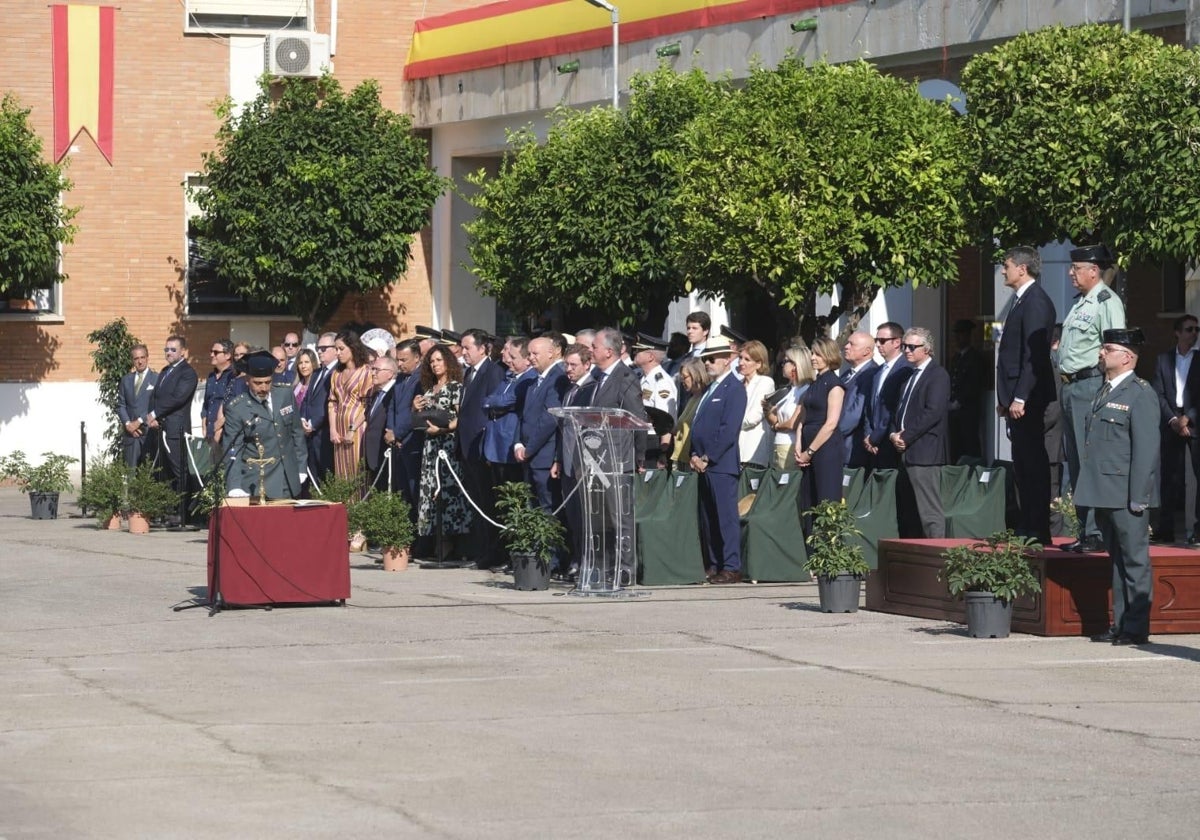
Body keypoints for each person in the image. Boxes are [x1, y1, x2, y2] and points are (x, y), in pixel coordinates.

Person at [1077, 329, 1159, 646]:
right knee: (1117, 561)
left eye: (1107, 348)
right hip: (1104, 492)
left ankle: (1136, 627)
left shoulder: (1140, 393)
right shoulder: (1104, 390)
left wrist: (1140, 497)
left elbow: (1146, 451)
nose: (1101, 353)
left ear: (1126, 356)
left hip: (1127, 495)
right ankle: (1121, 623)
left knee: (1135, 561)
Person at [1058, 244, 1126, 553]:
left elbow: (1115, 346)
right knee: (1075, 463)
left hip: (1090, 385)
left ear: (1093, 270)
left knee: (1089, 461)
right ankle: (1085, 531)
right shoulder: (1081, 303)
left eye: (1077, 268)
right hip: (1071, 387)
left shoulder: (1106, 301)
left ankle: (1096, 532)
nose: (1071, 273)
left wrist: (1110, 389)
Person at [996, 246, 1058, 543]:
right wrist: (1005, 399)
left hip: (1030, 398)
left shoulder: (1035, 301)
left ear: (1022, 268)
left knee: (1033, 462)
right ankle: (1026, 523)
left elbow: (1033, 357)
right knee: (1021, 462)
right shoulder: (1021, 300)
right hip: (1016, 398)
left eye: (1006, 265)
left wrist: (1020, 396)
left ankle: (1037, 526)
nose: (1002, 271)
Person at [689, 336, 747, 584]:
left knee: (725, 517)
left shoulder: (734, 388)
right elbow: (698, 425)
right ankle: (714, 563)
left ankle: (731, 565)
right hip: (702, 464)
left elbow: (728, 431)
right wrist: (693, 454)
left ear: (727, 359)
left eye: (712, 358)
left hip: (720, 464)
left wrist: (707, 457)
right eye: (706, 359)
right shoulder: (711, 388)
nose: (708, 363)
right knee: (708, 517)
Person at [889, 328, 950, 538]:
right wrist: (893, 435)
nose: (907, 350)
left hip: (924, 451)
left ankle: (936, 558)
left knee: (929, 511)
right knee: (910, 511)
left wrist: (905, 437)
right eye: (905, 346)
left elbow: (932, 412)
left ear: (927, 349)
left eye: (912, 347)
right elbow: (899, 410)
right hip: (905, 451)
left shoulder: (937, 375)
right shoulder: (909, 375)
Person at [223, 352, 308, 500]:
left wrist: (301, 467)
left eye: (267, 382)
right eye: (258, 383)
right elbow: (233, 449)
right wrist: (234, 485)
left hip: (287, 477)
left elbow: (296, 433)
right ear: (247, 381)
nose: (263, 387)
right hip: (258, 481)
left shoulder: (285, 394)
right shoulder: (237, 408)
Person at [416, 344, 473, 554]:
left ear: (448, 361)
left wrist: (441, 429)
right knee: (431, 492)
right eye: (431, 361)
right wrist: (416, 408)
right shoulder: (430, 389)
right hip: (430, 447)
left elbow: (461, 417)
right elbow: (421, 418)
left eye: (439, 360)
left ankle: (450, 541)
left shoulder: (456, 387)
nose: (435, 365)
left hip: (446, 446)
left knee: (448, 491)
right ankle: (435, 538)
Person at [456, 328, 506, 569]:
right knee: (476, 501)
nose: (463, 352)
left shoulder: (493, 371)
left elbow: (493, 411)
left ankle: (493, 552)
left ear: (483, 348)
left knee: (488, 502)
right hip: (468, 446)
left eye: (468, 348)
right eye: (462, 347)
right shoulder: (469, 373)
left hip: (483, 447)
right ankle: (482, 550)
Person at [1150, 314, 1200, 545]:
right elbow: (1157, 392)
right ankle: (1165, 529)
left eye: (1196, 330)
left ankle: (1197, 530)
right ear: (1177, 332)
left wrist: (1187, 419)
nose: (1194, 333)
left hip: (1194, 422)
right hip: (1171, 420)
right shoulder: (1163, 359)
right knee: (1169, 477)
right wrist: (1172, 419)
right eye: (1189, 329)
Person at [552, 343, 597, 581]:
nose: (568, 369)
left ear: (587, 364)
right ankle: (576, 558)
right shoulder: (570, 390)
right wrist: (558, 459)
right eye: (566, 365)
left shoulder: (591, 388)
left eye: (573, 365)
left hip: (584, 462)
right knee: (573, 517)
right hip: (568, 460)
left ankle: (586, 561)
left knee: (585, 516)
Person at [516, 335, 569, 514]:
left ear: (552, 353)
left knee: (548, 510)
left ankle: (550, 544)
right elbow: (524, 415)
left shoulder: (558, 378)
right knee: (533, 509)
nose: (530, 357)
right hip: (529, 456)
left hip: (544, 456)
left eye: (535, 353)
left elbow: (549, 419)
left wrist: (528, 449)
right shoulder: (535, 379)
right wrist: (518, 444)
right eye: (529, 353)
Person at [795, 337, 846, 513]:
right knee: (809, 500)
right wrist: (799, 443)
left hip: (826, 448)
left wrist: (809, 452)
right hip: (808, 446)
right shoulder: (814, 383)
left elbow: (831, 423)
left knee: (826, 498)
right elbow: (803, 416)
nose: (812, 358)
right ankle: (810, 539)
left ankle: (826, 539)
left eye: (818, 354)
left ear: (829, 356)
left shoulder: (835, 384)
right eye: (812, 353)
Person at [146, 334, 199, 496]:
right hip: (161, 427)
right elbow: (156, 396)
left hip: (176, 429)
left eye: (173, 350)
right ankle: (168, 509)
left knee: (178, 469)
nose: (168, 353)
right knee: (165, 471)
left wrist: (155, 413)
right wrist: (152, 416)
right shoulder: (165, 371)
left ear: (183, 352)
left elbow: (177, 398)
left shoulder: (187, 373)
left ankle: (182, 511)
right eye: (166, 349)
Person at [482, 336, 536, 486]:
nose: (509, 360)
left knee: (513, 489)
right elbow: (489, 399)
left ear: (527, 360)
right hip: (496, 441)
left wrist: (494, 402)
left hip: (509, 441)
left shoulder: (529, 378)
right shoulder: (509, 376)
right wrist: (493, 402)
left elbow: (509, 400)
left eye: (514, 357)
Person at [385, 339, 426, 517]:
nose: (399, 364)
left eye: (404, 360)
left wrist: (398, 433)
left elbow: (416, 412)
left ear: (417, 357)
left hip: (413, 442)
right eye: (398, 360)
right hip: (397, 442)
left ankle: (419, 540)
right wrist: (389, 430)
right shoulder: (401, 378)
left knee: (414, 491)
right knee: (401, 491)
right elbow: (393, 406)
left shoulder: (423, 379)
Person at [863, 321, 912, 470]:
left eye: (882, 341)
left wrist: (875, 437)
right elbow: (870, 407)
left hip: (891, 441)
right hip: (873, 443)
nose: (878, 345)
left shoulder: (905, 369)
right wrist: (868, 435)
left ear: (897, 342)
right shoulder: (878, 371)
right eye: (876, 340)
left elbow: (892, 408)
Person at [327, 330, 373, 481]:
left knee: (357, 472)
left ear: (353, 348)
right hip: (339, 428)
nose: (337, 353)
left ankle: (359, 504)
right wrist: (333, 430)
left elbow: (367, 405)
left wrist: (352, 430)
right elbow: (332, 403)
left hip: (358, 427)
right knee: (341, 473)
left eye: (341, 349)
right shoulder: (336, 373)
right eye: (336, 349)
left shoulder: (365, 371)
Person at [765, 347, 814, 470]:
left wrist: (776, 426)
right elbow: (775, 418)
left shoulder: (806, 390)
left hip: (791, 445)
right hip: (779, 444)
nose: (782, 364)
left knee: (787, 486)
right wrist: (767, 410)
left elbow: (793, 423)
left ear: (796, 365)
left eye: (785, 361)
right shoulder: (788, 390)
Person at [633, 334, 678, 466]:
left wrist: (663, 452)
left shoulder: (661, 382)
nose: (635, 352)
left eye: (639, 350)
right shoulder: (643, 378)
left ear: (651, 357)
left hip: (653, 442)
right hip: (642, 439)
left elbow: (665, 420)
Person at [837, 331, 879, 467]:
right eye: (847, 343)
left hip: (852, 450)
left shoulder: (871, 374)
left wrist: (830, 434)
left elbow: (854, 414)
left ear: (867, 351)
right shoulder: (846, 374)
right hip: (840, 447)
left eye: (852, 344)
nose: (846, 347)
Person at [301, 333, 338, 484]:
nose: (320, 352)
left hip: (324, 433)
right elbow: (307, 400)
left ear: (336, 349)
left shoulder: (337, 372)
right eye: (318, 348)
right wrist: (303, 419)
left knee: (326, 478)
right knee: (314, 478)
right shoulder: (316, 373)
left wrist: (314, 424)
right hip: (310, 435)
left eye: (324, 348)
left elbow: (329, 403)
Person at [949, 319, 986, 462]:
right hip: (955, 411)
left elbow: (973, 384)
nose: (958, 338)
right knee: (956, 446)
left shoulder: (975, 358)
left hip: (968, 410)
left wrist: (960, 401)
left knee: (970, 444)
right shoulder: (956, 358)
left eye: (962, 335)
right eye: (957, 335)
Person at [116, 344, 157, 468]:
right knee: (131, 474)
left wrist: (139, 422)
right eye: (136, 358)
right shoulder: (126, 380)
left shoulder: (156, 379)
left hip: (149, 434)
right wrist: (129, 425)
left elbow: (157, 406)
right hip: (131, 436)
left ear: (147, 358)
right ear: (132, 360)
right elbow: (121, 405)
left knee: (149, 475)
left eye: (142, 357)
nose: (139, 361)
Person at [736, 340, 775, 469]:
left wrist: (727, 424)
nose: (741, 362)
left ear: (758, 364)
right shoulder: (737, 385)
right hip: (734, 453)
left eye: (747, 359)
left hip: (752, 453)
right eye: (740, 358)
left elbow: (753, 418)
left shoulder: (765, 382)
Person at [362, 354, 399, 491]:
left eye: (377, 370)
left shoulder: (394, 393)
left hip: (385, 453)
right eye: (372, 369)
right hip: (373, 454)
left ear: (390, 374)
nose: (373, 373)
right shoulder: (377, 393)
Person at [671, 357, 711, 471]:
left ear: (697, 375)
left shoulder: (705, 397)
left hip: (694, 461)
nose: (683, 381)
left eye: (685, 377)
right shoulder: (692, 397)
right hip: (682, 458)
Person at [201, 339, 234, 446]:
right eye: (211, 351)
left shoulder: (233, 376)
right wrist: (204, 426)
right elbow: (206, 403)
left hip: (226, 434)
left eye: (216, 352)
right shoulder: (211, 377)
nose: (211, 355)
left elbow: (233, 406)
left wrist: (219, 430)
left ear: (228, 355)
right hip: (209, 433)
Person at [292, 348, 319, 413]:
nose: (303, 366)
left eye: (306, 362)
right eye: (300, 363)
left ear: (313, 363)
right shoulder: (296, 386)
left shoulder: (317, 385)